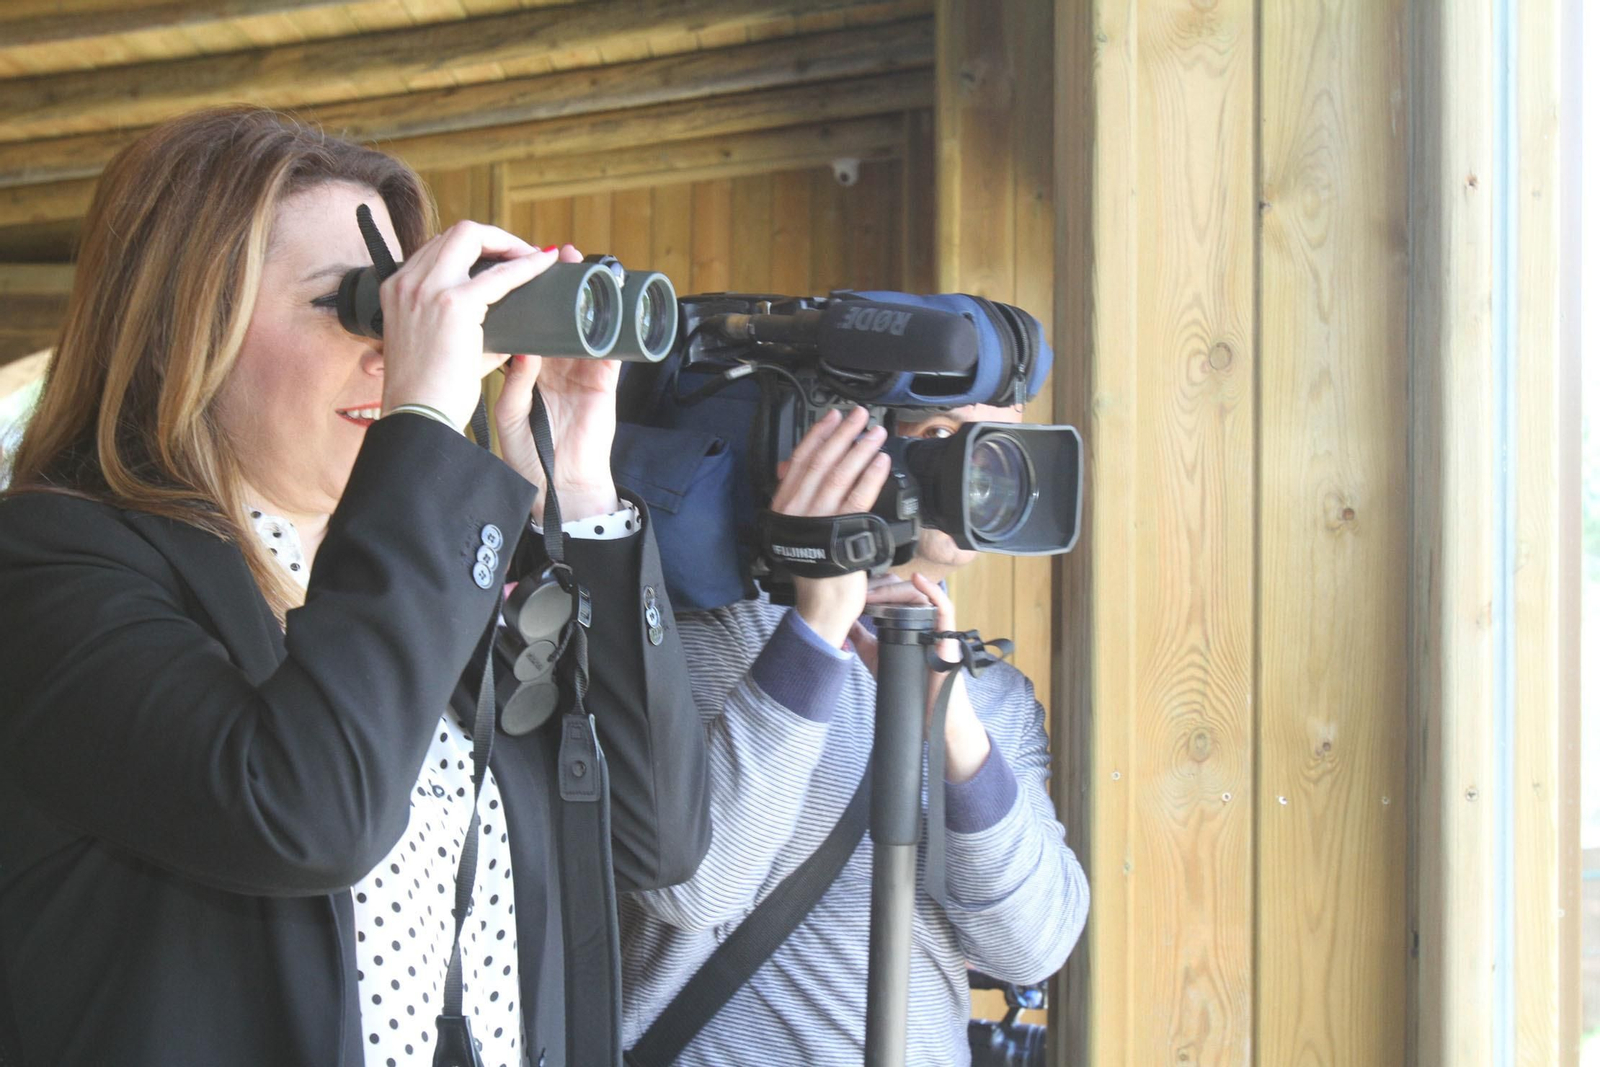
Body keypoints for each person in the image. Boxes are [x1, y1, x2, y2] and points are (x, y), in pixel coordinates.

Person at [0, 107, 710, 1067]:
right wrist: (420, 426)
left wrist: (577, 489)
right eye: (359, 305)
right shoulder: (46, 566)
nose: (392, 352)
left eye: (411, 312)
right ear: (180, 329)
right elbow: (304, 810)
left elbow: (653, 839)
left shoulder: (437, 568)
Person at [618, 403, 1089, 1065]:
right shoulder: (721, 628)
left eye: (1000, 438)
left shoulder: (995, 698)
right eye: (943, 435)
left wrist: (950, 718)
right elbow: (691, 887)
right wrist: (816, 630)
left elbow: (1033, 946)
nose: (982, 466)